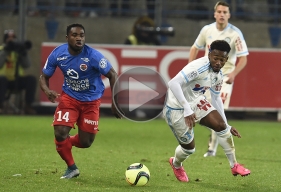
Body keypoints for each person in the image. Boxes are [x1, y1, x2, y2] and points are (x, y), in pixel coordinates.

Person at [39, 23, 124, 179]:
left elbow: (113, 74)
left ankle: (66, 143)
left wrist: (115, 102)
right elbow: (44, 76)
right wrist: (47, 90)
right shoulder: (58, 54)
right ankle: (72, 168)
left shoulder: (93, 56)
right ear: (67, 38)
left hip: (91, 102)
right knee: (60, 132)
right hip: (69, 99)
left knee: (86, 142)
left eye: (82, 35)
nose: (79, 38)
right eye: (75, 35)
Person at [163, 40, 250, 182]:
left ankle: (234, 165)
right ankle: (176, 163)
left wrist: (227, 125)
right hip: (177, 108)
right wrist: (186, 109)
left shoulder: (218, 75)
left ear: (226, 59)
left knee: (221, 126)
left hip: (196, 101)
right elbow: (173, 83)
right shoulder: (198, 67)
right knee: (189, 149)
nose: (218, 63)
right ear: (209, 54)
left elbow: (216, 99)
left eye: (222, 60)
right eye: (215, 58)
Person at [188, 1, 249, 157]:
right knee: (202, 111)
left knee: (217, 113)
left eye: (225, 12)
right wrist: (190, 69)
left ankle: (212, 149)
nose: (222, 14)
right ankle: (209, 139)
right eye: (219, 11)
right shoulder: (206, 30)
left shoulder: (235, 34)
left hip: (224, 77)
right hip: (205, 76)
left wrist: (233, 74)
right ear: (215, 14)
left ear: (229, 15)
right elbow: (195, 47)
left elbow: (243, 58)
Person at [0, 29, 37, 114]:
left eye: (13, 38)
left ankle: (28, 106)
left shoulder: (18, 51)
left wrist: (23, 52)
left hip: (17, 80)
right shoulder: (1, 49)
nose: (11, 40)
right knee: (2, 80)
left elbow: (27, 65)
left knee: (31, 79)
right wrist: (6, 50)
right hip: (3, 81)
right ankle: (0, 106)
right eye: (9, 38)